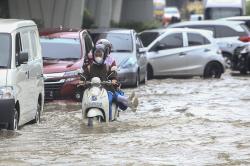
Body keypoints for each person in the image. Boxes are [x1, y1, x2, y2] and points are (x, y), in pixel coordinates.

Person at [81, 43, 138, 118]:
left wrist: (113, 80)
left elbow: (113, 76)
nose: (98, 56)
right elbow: (83, 76)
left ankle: (111, 116)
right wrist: (82, 81)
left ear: (104, 55)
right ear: (93, 55)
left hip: (106, 89)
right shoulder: (89, 67)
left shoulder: (107, 67)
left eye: (100, 54)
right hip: (92, 90)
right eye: (96, 54)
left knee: (111, 97)